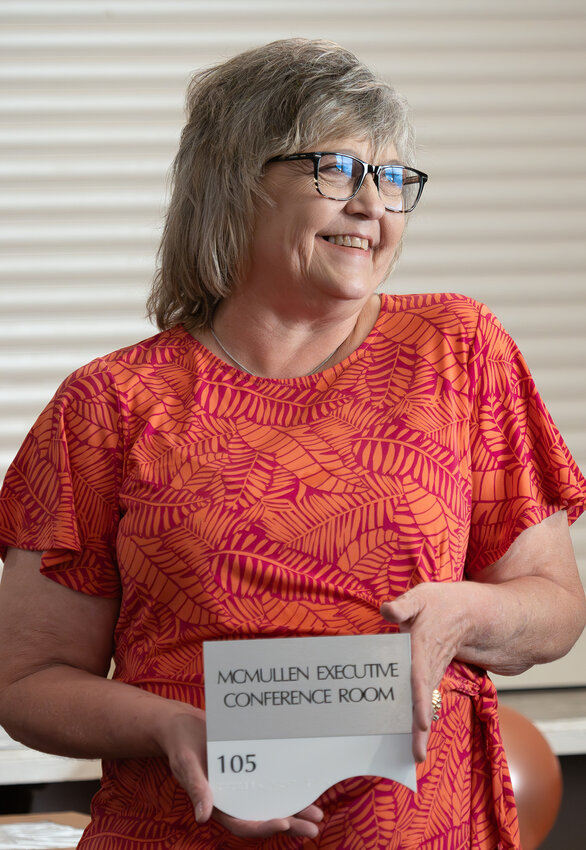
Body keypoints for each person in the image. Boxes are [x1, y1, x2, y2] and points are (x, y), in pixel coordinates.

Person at [0, 37, 585, 850]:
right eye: (338, 171)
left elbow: (554, 608)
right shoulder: (109, 404)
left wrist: (466, 611)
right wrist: (174, 729)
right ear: (235, 184)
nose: (372, 207)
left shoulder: (458, 348)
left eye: (390, 180)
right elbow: (26, 682)